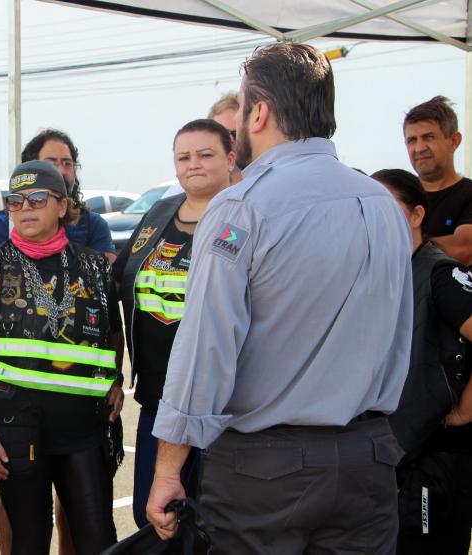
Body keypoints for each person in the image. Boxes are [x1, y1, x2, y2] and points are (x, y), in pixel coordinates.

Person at [145, 43, 412, 554]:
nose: (237, 124)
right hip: (367, 457)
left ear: (260, 113)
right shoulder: (381, 204)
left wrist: (167, 470)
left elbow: (205, 352)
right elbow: (399, 335)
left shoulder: (240, 209)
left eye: (241, 110)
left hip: (265, 471)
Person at [0, 160, 124, 555]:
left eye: (37, 198)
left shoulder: (94, 266)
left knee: (97, 538)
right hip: (17, 426)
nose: (25, 207)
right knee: (30, 540)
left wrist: (115, 379)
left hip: (84, 426)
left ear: (63, 206)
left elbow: (113, 333)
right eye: (15, 201)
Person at [113, 118, 235, 528]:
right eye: (183, 156)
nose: (193, 164)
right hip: (157, 400)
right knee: (155, 520)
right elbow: (119, 276)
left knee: (215, 522)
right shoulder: (160, 212)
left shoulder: (243, 217)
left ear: (231, 157)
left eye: (205, 154)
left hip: (221, 410)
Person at [372, 169, 472, 554]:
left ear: (416, 216)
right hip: (393, 458)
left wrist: (466, 408)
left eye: (385, 207)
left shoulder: (441, 272)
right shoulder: (385, 273)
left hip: (437, 458)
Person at [0, 129, 116, 263]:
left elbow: (107, 274)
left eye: (67, 163)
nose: (62, 171)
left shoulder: (93, 224)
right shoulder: (2, 224)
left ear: (62, 207)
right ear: (30, 167)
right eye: (51, 163)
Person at [404, 96, 472, 264]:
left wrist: (404, 243)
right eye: (412, 140)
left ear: (454, 141)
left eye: (429, 137)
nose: (419, 148)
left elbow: (464, 248)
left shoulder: (468, 193)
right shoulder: (398, 193)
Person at [208, 92, 244, 184]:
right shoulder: (184, 191)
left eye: (236, 133)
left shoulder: (267, 185)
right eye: (223, 133)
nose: (230, 140)